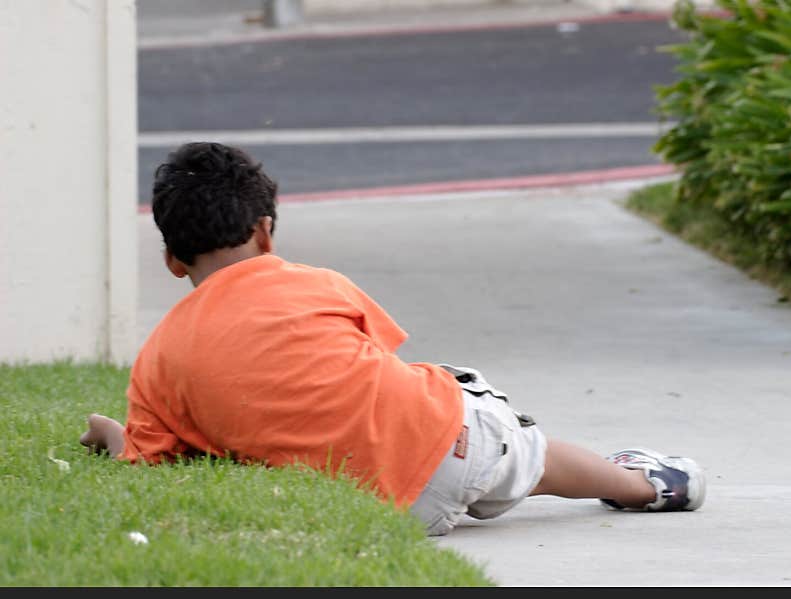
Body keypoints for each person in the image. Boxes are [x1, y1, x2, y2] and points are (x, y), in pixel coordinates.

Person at [79, 142, 706, 536]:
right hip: (449, 450)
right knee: (515, 442)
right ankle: (647, 485)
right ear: (266, 233)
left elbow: (155, 460)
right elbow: (373, 367)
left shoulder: (157, 361)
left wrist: (114, 435)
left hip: (360, 514)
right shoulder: (314, 283)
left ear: (171, 260)